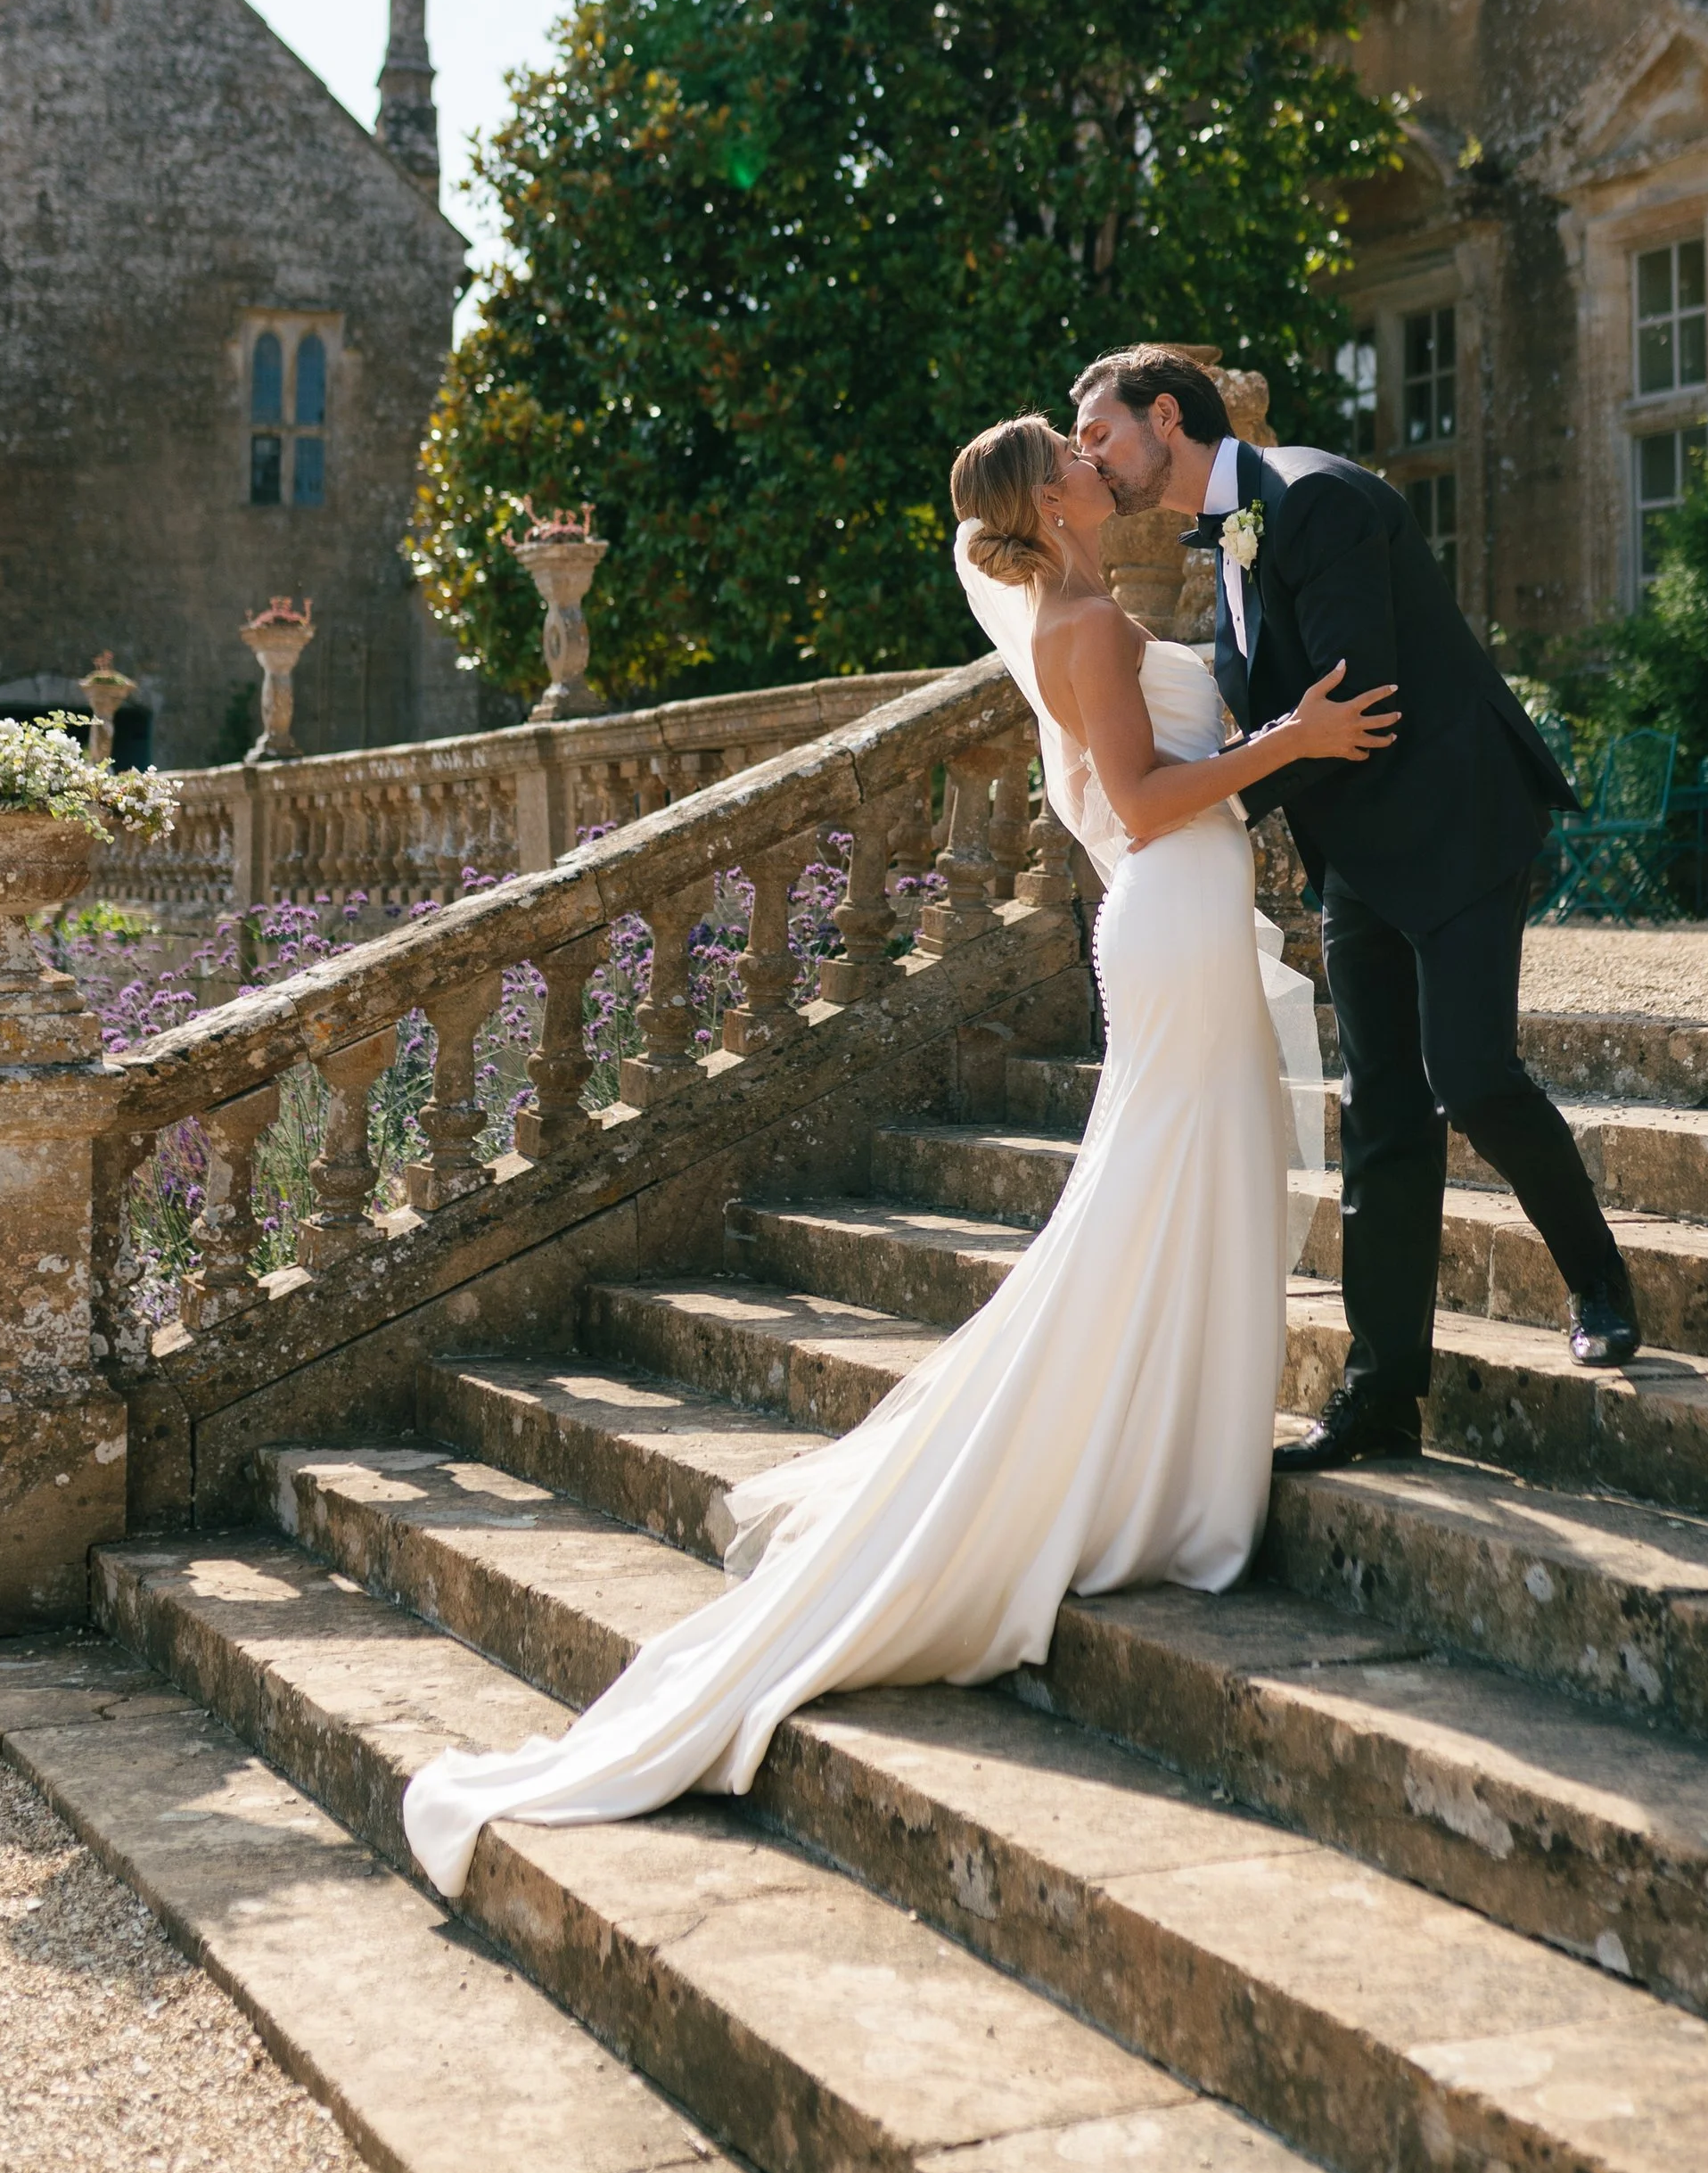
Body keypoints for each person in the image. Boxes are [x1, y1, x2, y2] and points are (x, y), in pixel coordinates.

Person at [400, 411, 1398, 1899]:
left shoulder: (1077, 612)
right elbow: (1136, 803)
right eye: (1072, 458)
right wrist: (1293, 743)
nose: (1093, 463)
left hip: (1173, 918)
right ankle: (1165, 1490)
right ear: (1049, 509)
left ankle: (1176, 1472)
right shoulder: (1089, 630)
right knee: (1163, 1198)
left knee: (1180, 1195)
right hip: (1174, 916)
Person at [1071, 344, 1639, 1477]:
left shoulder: (1314, 497)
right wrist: (1227, 783)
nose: (1090, 459)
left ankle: (1599, 1281)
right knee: (1377, 1110)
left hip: (1459, 815)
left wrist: (1203, 807)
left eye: (1098, 437)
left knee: (1470, 1076)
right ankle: (1380, 1403)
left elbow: (1356, 703)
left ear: (1166, 418)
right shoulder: (1222, 537)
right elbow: (1298, 718)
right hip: (1357, 853)